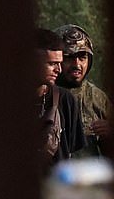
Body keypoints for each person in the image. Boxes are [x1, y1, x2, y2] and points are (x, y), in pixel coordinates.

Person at [54, 24, 112, 157]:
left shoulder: (97, 97)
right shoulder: (44, 94)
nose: (77, 65)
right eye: (69, 57)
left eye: (82, 57)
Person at [35, 28, 86, 164]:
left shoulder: (66, 100)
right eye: (51, 64)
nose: (59, 69)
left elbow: (72, 151)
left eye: (59, 63)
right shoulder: (7, 102)